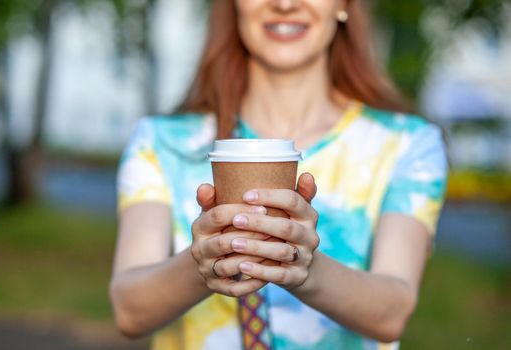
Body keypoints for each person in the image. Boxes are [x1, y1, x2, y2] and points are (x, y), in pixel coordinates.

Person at [110, 0, 448, 349]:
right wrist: (203, 262)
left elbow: (392, 312)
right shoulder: (161, 143)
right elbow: (129, 310)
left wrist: (306, 269)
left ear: (344, 5)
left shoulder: (407, 145)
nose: (285, 4)